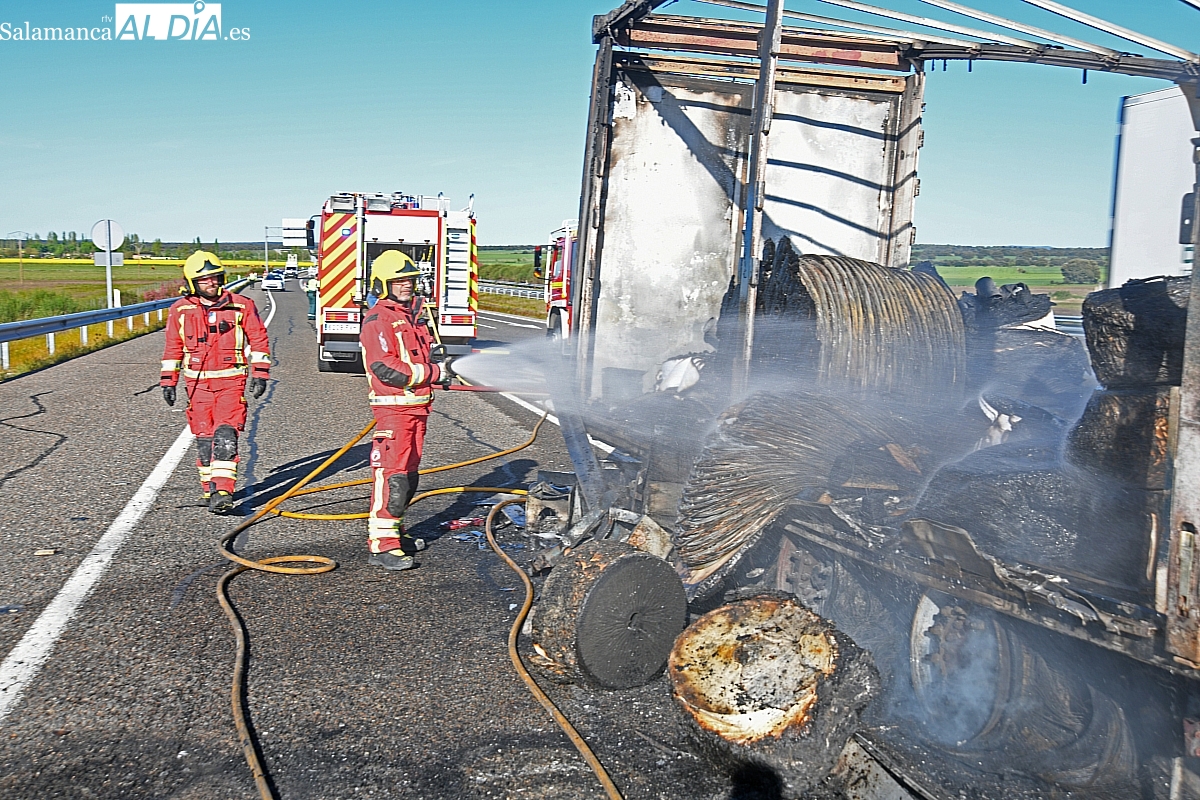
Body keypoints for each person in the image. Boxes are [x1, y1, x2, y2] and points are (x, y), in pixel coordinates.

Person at [160, 251, 271, 513]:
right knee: (204, 439)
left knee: (225, 434)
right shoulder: (181, 310)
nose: (210, 283)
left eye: (214, 278)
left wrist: (261, 373)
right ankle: (209, 489)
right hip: (197, 386)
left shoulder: (241, 306)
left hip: (231, 382)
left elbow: (258, 339)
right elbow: (173, 348)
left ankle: (223, 490)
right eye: (203, 280)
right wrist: (168, 381)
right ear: (192, 283)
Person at [358, 251, 446, 571]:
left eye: (409, 279)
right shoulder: (378, 319)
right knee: (392, 479)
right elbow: (386, 369)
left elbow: (422, 355)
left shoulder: (412, 316)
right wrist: (435, 373)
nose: (406, 285)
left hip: (418, 409)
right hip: (394, 411)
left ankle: (396, 533)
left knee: (408, 479)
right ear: (383, 284)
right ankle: (382, 545)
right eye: (398, 281)